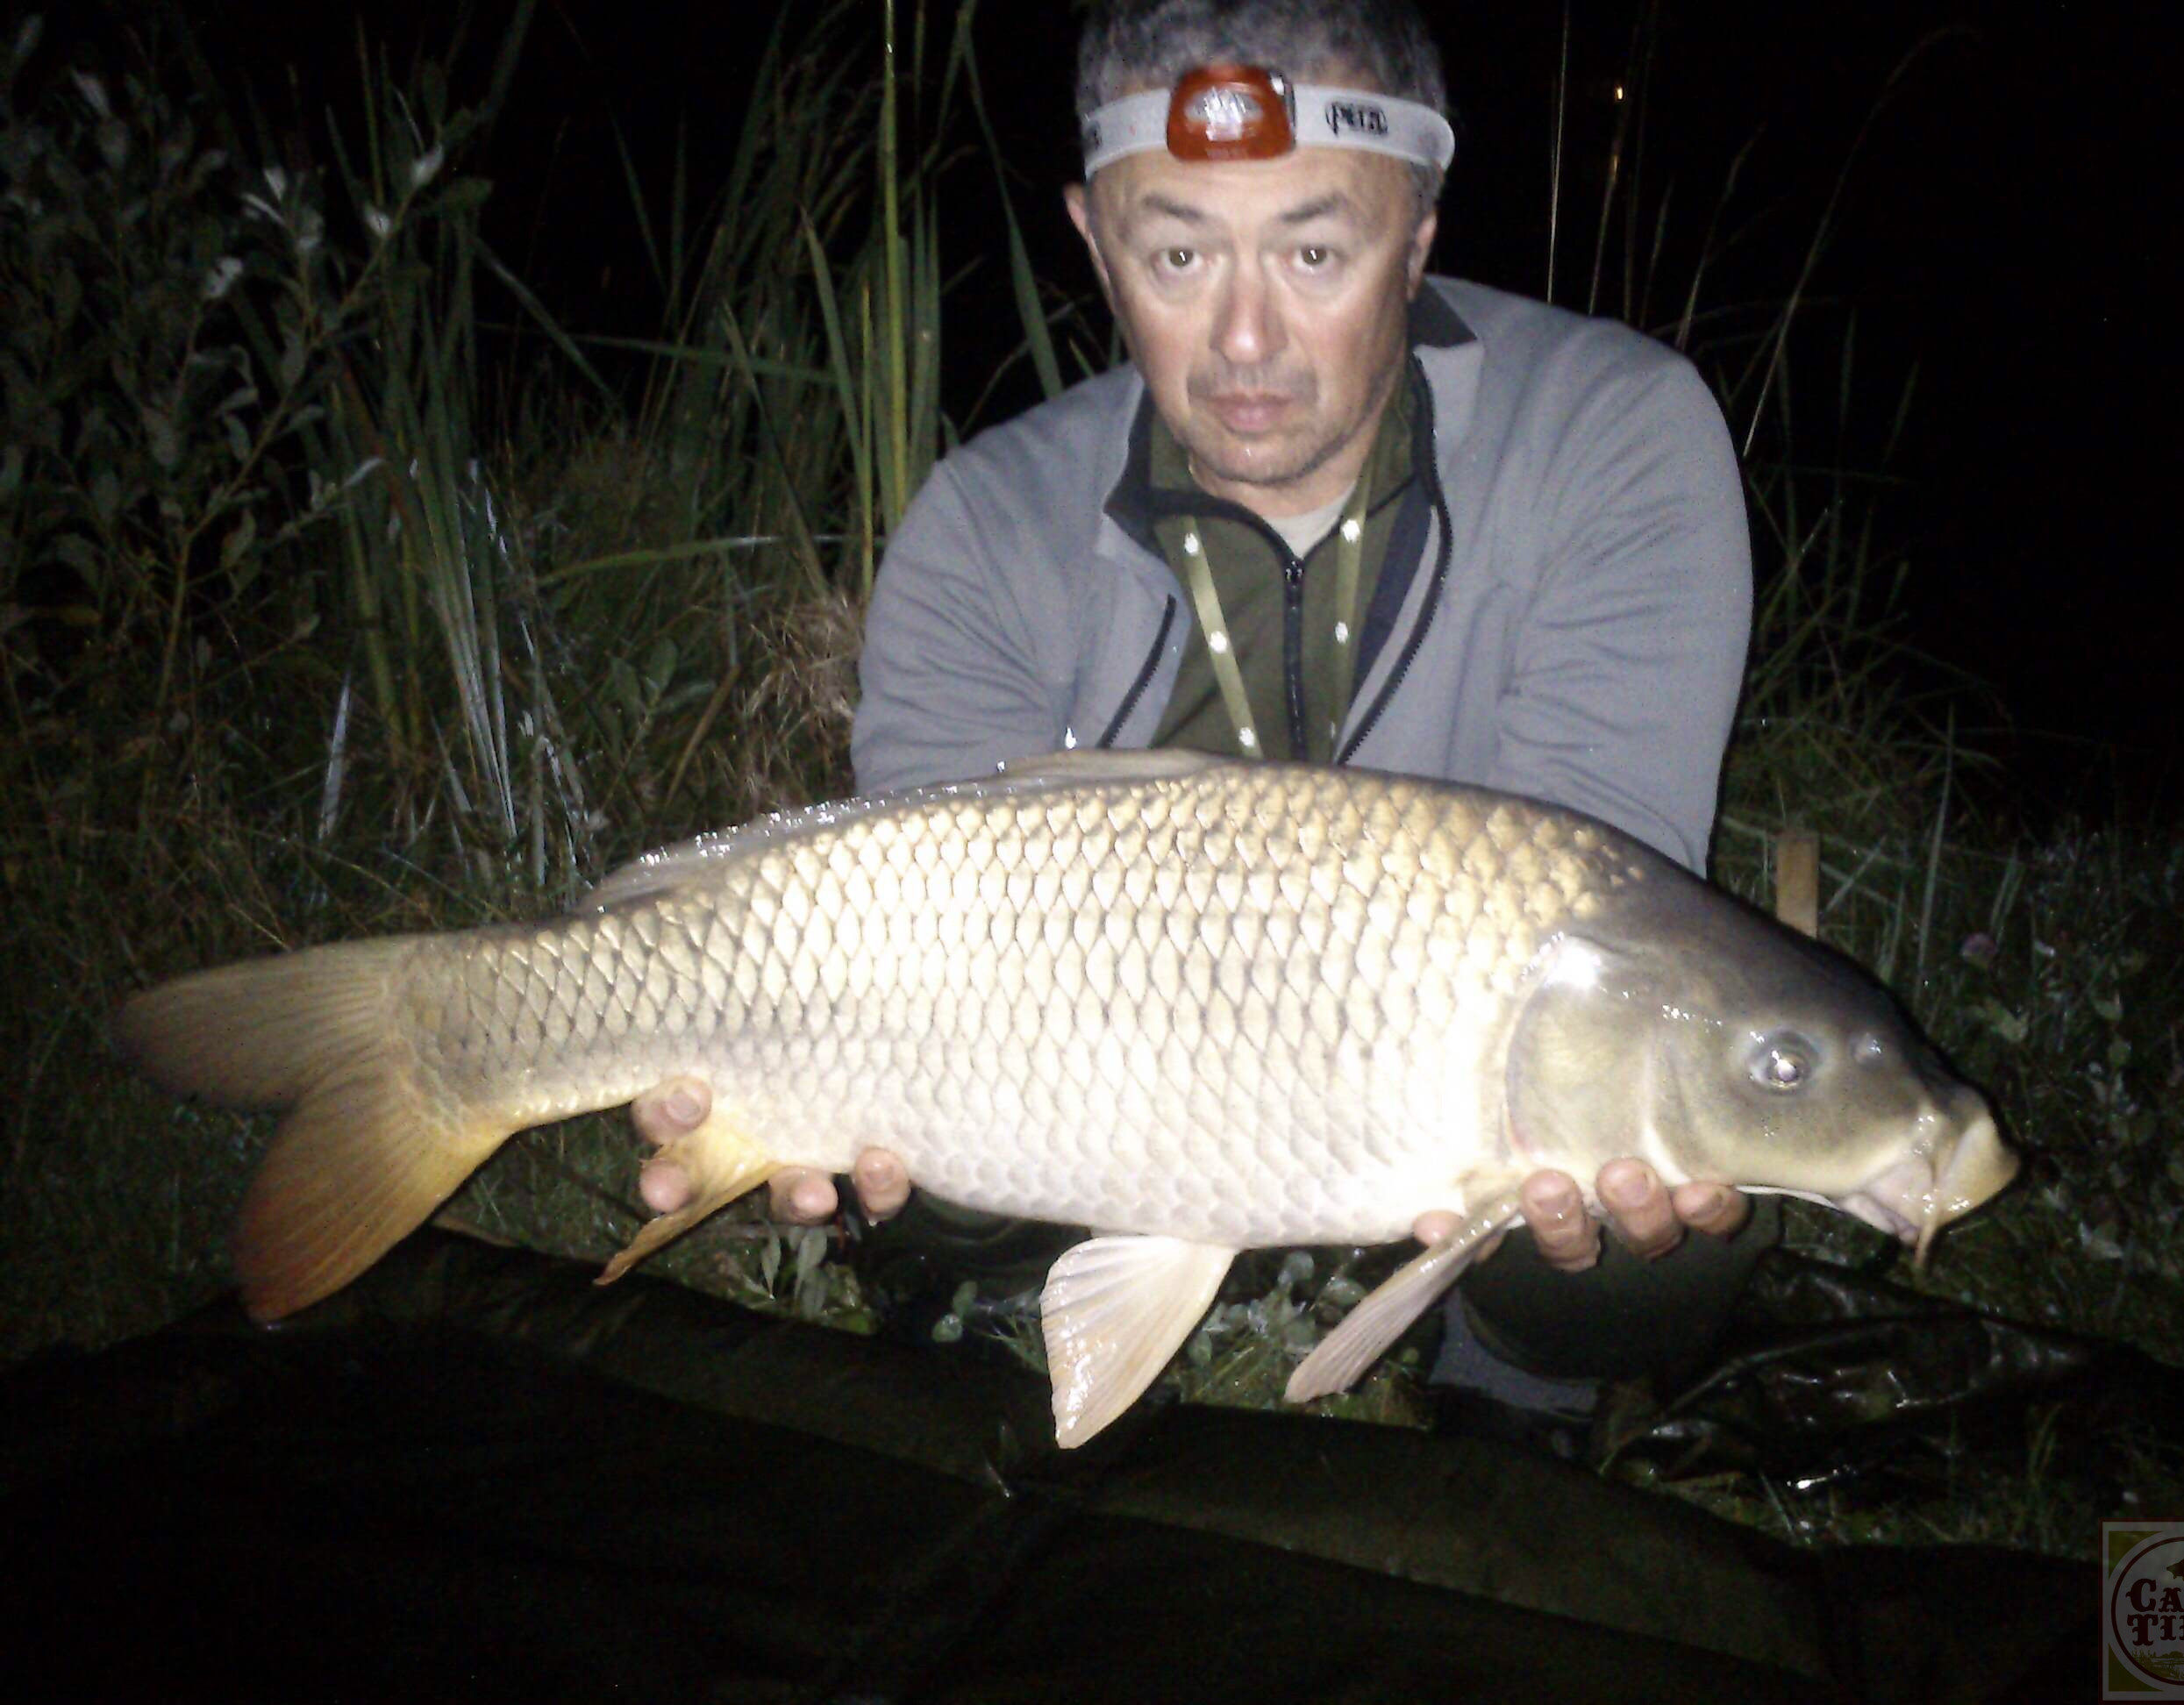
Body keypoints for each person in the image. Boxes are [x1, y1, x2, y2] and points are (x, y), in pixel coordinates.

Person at [634, 0, 1774, 1425]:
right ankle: (1006, 1315)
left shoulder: (1615, 437)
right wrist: (779, 1073)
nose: (1244, 337)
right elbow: (905, 916)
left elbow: (1591, 907)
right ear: (1094, 238)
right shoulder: (987, 524)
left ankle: (1502, 1404)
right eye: (1177, 254)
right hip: (1073, 1091)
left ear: (1416, 235)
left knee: (1647, 1208)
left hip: (1448, 1103)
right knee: (918, 1169)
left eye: (1314, 250)